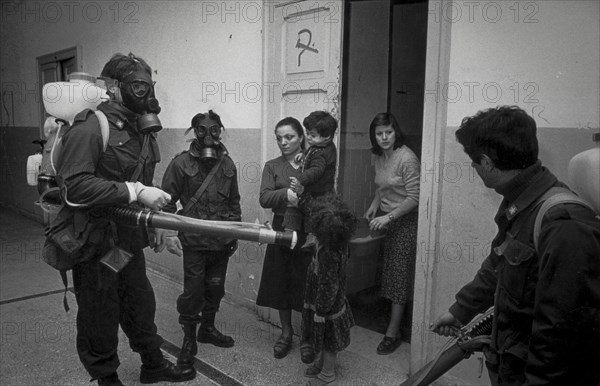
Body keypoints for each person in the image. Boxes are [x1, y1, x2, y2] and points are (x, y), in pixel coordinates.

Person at [431, 106, 600, 385]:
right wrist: (460, 310)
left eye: (473, 162)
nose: (474, 168)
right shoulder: (521, 200)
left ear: (486, 163)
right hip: (510, 361)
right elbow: (499, 264)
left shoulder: (563, 224)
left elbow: (560, 336)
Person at [56, 53, 194, 385]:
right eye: (138, 86)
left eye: (149, 86)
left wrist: (159, 224)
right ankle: (106, 377)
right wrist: (133, 191)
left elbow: (146, 182)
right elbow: (74, 187)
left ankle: (152, 364)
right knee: (99, 312)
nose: (147, 95)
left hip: (126, 242)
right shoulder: (91, 127)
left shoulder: (142, 131)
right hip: (94, 243)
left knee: (139, 303)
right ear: (113, 88)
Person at [160, 110, 241, 373]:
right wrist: (170, 233)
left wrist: (234, 232)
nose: (208, 136)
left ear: (220, 131)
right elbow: (166, 202)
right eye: (202, 130)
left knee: (215, 287)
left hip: (220, 241)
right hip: (194, 240)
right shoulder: (181, 164)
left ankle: (207, 329)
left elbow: (234, 202)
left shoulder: (228, 165)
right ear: (194, 132)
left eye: (214, 130)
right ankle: (188, 339)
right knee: (193, 291)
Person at [256, 117, 313, 359]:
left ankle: (308, 338)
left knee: (308, 282)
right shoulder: (272, 165)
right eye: (279, 138)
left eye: (289, 137)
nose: (283, 142)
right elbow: (264, 198)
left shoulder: (314, 163)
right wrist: (288, 194)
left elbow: (324, 192)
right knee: (281, 281)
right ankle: (286, 333)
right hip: (281, 226)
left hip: (309, 227)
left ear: (301, 137)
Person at [364, 112, 420, 355]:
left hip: (404, 221)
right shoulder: (378, 155)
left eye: (388, 132)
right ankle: (391, 318)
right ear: (374, 136)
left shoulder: (406, 158)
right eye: (379, 133)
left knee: (398, 277)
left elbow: (415, 197)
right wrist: (375, 204)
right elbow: (383, 186)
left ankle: (393, 333)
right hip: (386, 217)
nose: (384, 137)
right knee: (387, 271)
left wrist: (388, 216)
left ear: (396, 132)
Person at [300, 193, 356, 386]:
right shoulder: (336, 242)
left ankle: (327, 375)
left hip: (327, 305)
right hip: (328, 299)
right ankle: (322, 364)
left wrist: (321, 310)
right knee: (324, 337)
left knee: (329, 339)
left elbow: (328, 285)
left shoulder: (328, 253)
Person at [285, 111, 338, 247]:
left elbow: (316, 170)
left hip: (318, 193)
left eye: (312, 135)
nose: (308, 137)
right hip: (324, 191)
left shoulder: (321, 153)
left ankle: (307, 236)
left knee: (310, 213)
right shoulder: (324, 146)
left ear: (327, 137)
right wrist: (303, 156)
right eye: (307, 133)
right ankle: (307, 236)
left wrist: (300, 180)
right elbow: (312, 154)